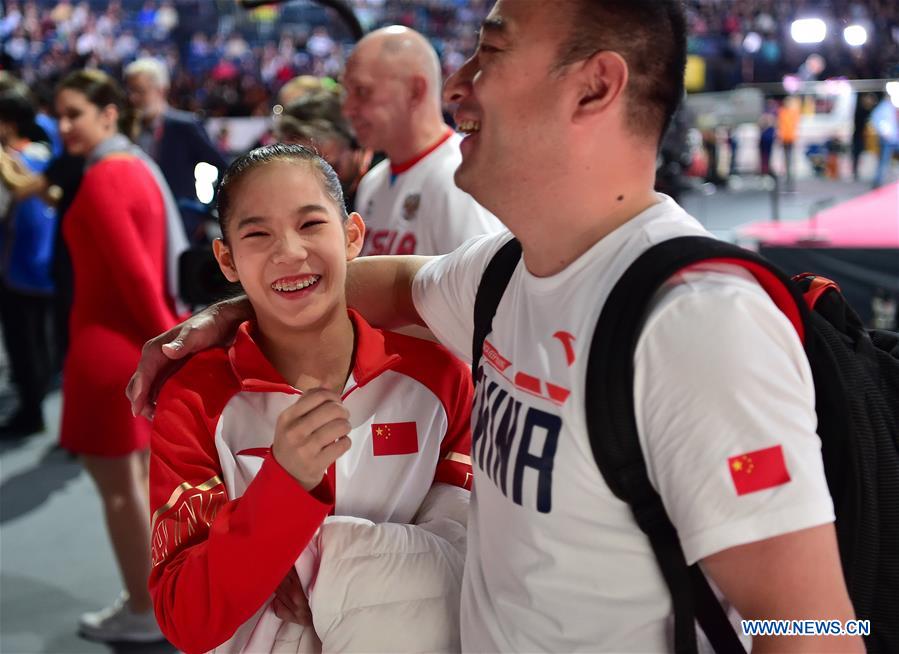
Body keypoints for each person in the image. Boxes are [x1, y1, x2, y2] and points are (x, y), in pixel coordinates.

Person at [129, 2, 862, 652]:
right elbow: (380, 283)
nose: (456, 85)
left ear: (595, 86)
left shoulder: (699, 322)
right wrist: (237, 307)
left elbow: (814, 627)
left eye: (493, 52)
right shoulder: (505, 272)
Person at [148, 144, 472, 653]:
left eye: (311, 224)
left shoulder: (440, 379)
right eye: (257, 234)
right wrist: (283, 486)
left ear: (353, 236)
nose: (289, 252)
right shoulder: (194, 398)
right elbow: (186, 619)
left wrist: (332, 585)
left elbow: (472, 560)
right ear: (227, 259)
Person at [55, 69, 187, 643]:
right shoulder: (136, 168)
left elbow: (137, 278)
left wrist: (176, 345)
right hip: (126, 349)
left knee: (119, 490)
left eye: (74, 114)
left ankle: (143, 608)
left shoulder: (108, 177)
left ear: (108, 112)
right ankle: (150, 596)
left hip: (106, 351)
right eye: (58, 115)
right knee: (134, 484)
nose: (63, 128)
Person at [342, 26, 502, 256]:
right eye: (347, 92)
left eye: (362, 91)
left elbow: (484, 288)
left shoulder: (461, 178)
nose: (348, 108)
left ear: (415, 91)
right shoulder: (372, 182)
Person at [0, 88, 56, 437]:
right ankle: (36, 400)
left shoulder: (11, 162)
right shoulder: (46, 155)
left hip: (16, 265)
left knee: (23, 343)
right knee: (40, 338)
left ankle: (30, 411)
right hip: (46, 263)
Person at [124, 57, 227, 242]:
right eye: (130, 91)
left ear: (161, 90)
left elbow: (223, 166)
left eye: (140, 91)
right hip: (140, 223)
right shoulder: (127, 129)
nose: (133, 98)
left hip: (180, 225)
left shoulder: (183, 125)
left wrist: (205, 211)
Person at [275, 88, 373, 211]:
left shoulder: (385, 179)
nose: (323, 182)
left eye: (333, 167)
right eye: (307, 173)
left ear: (356, 142)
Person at [871, 92, 898, 189]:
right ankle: (878, 182)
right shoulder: (883, 107)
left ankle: (881, 181)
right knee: (884, 161)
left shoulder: (891, 107)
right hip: (887, 139)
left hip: (894, 138)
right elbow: (876, 120)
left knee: (884, 161)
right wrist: (884, 132)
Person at [777, 95, 801, 192]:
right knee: (786, 161)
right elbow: (781, 126)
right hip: (784, 140)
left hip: (791, 139)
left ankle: (790, 181)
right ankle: (787, 180)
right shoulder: (783, 112)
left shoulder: (793, 113)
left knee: (790, 161)